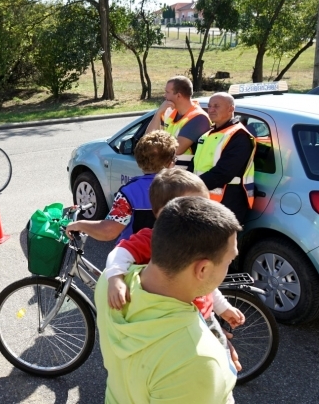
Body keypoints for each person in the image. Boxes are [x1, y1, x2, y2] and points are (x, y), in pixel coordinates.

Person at [94, 196, 241, 403]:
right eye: (230, 260)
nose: (229, 267)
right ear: (203, 269)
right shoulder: (196, 361)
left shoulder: (108, 284)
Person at [68, 130, 178, 243]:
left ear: (139, 160)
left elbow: (109, 231)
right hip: (173, 256)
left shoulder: (129, 192)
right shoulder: (184, 188)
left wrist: (80, 225)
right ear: (170, 162)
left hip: (134, 256)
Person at [193, 92, 256, 224]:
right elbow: (195, 164)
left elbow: (224, 173)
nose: (211, 110)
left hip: (228, 203)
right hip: (206, 200)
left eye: (216, 106)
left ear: (231, 109)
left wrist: (192, 186)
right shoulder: (208, 134)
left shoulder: (239, 135)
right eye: (209, 106)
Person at [146, 76, 211, 171]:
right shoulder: (169, 111)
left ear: (179, 95)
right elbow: (148, 138)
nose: (165, 96)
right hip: (168, 172)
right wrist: (158, 113)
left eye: (167, 92)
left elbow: (177, 149)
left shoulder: (198, 118)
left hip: (183, 175)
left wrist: (155, 147)